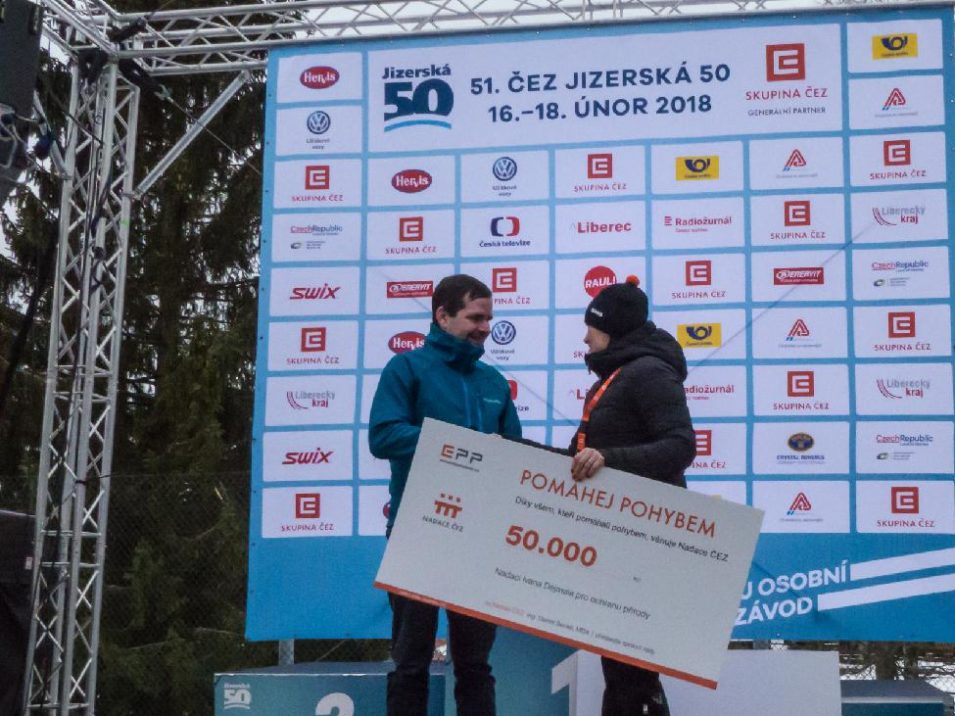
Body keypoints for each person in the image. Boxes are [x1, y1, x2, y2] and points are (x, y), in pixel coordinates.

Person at [369, 273, 522, 716]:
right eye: (475, 318)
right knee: (411, 661)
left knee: (475, 665)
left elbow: (514, 454)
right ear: (442, 316)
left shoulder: (494, 382)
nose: (485, 328)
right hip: (417, 532)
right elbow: (383, 435)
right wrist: (457, 446)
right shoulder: (406, 369)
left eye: (489, 319)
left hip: (479, 536)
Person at [569, 275, 696, 716]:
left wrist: (608, 459)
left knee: (632, 671)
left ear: (614, 329)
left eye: (592, 327)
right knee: (625, 669)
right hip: (618, 536)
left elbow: (680, 446)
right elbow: (580, 455)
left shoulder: (649, 373)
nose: (586, 337)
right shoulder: (619, 376)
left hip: (645, 541)